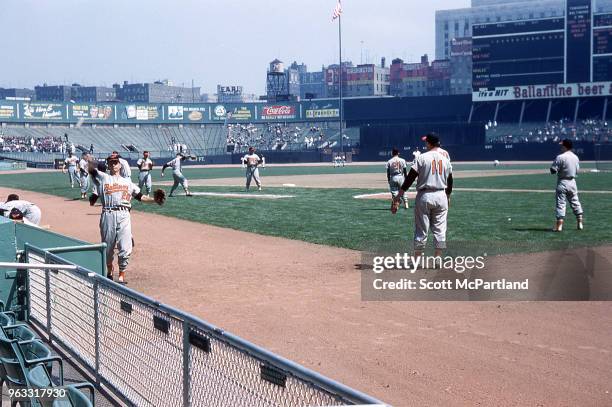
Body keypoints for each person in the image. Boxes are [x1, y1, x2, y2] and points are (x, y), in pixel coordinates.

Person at [88, 153, 165, 284]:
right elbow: (91, 171)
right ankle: (110, 268)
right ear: (108, 165)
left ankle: (122, 273)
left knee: (125, 246)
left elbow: (141, 197)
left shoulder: (128, 183)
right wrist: (89, 160)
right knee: (108, 247)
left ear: (120, 165)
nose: (113, 164)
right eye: (111, 162)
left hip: (124, 214)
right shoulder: (103, 177)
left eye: (115, 162)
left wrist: (154, 200)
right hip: (108, 214)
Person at [392, 134, 453, 258]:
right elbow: (450, 181)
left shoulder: (422, 157)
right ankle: (438, 258)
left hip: (425, 195)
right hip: (441, 195)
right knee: (440, 231)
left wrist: (399, 196)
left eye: (426, 142)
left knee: (421, 231)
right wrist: (448, 196)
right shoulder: (445, 159)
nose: (425, 144)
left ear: (429, 143)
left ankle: (417, 259)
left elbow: (410, 178)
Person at [550, 139, 584, 232]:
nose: (561, 147)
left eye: (562, 145)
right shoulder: (576, 157)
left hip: (562, 182)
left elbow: (553, 170)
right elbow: (577, 170)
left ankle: (559, 226)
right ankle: (580, 223)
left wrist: (554, 169)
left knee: (561, 203)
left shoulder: (560, 157)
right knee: (575, 201)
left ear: (565, 146)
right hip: (572, 182)